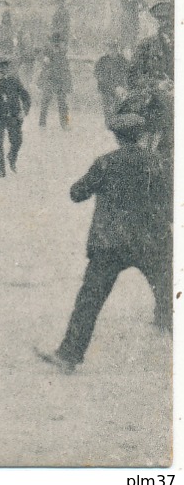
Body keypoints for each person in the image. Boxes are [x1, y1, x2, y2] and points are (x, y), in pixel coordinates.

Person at [36, 112, 171, 373]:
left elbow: (77, 193)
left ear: (116, 137)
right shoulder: (158, 163)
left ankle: (69, 354)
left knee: (89, 299)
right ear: (141, 135)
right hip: (152, 241)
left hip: (111, 242)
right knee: (169, 292)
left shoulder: (106, 163)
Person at [128, 0, 174, 91]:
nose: (169, 25)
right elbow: (132, 78)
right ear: (160, 22)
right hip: (156, 99)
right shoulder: (146, 46)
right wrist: (157, 85)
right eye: (164, 21)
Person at [38, 34, 72, 130]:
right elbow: (40, 59)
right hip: (49, 80)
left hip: (60, 81)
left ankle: (66, 123)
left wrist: (68, 84)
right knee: (45, 102)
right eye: (55, 43)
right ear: (52, 43)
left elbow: (66, 70)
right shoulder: (47, 52)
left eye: (59, 43)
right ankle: (42, 123)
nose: (57, 45)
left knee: (63, 104)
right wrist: (44, 59)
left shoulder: (63, 54)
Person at [94, 45, 131, 128]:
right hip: (105, 87)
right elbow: (97, 72)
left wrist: (123, 84)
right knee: (106, 105)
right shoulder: (102, 60)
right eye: (110, 50)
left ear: (117, 50)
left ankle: (116, 121)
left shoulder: (122, 60)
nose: (112, 52)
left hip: (119, 87)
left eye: (114, 50)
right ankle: (108, 122)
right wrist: (101, 78)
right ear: (107, 50)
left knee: (118, 104)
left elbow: (129, 71)